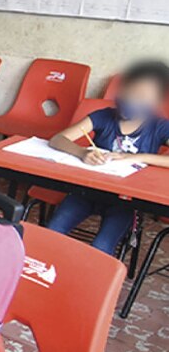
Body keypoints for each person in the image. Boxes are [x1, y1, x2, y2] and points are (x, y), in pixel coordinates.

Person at [47, 60, 169, 255]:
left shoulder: (159, 126)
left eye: (141, 96)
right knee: (52, 232)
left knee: (101, 249)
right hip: (87, 192)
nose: (132, 98)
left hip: (126, 201)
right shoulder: (104, 117)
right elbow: (57, 139)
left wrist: (138, 158)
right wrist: (82, 152)